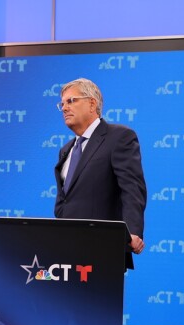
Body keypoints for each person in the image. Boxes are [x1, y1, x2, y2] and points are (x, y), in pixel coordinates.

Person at [53, 78, 147, 268]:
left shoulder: (119, 137)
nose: (64, 108)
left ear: (92, 104)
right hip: (67, 249)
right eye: (61, 104)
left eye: (71, 101)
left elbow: (132, 188)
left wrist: (132, 232)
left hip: (103, 247)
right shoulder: (66, 150)